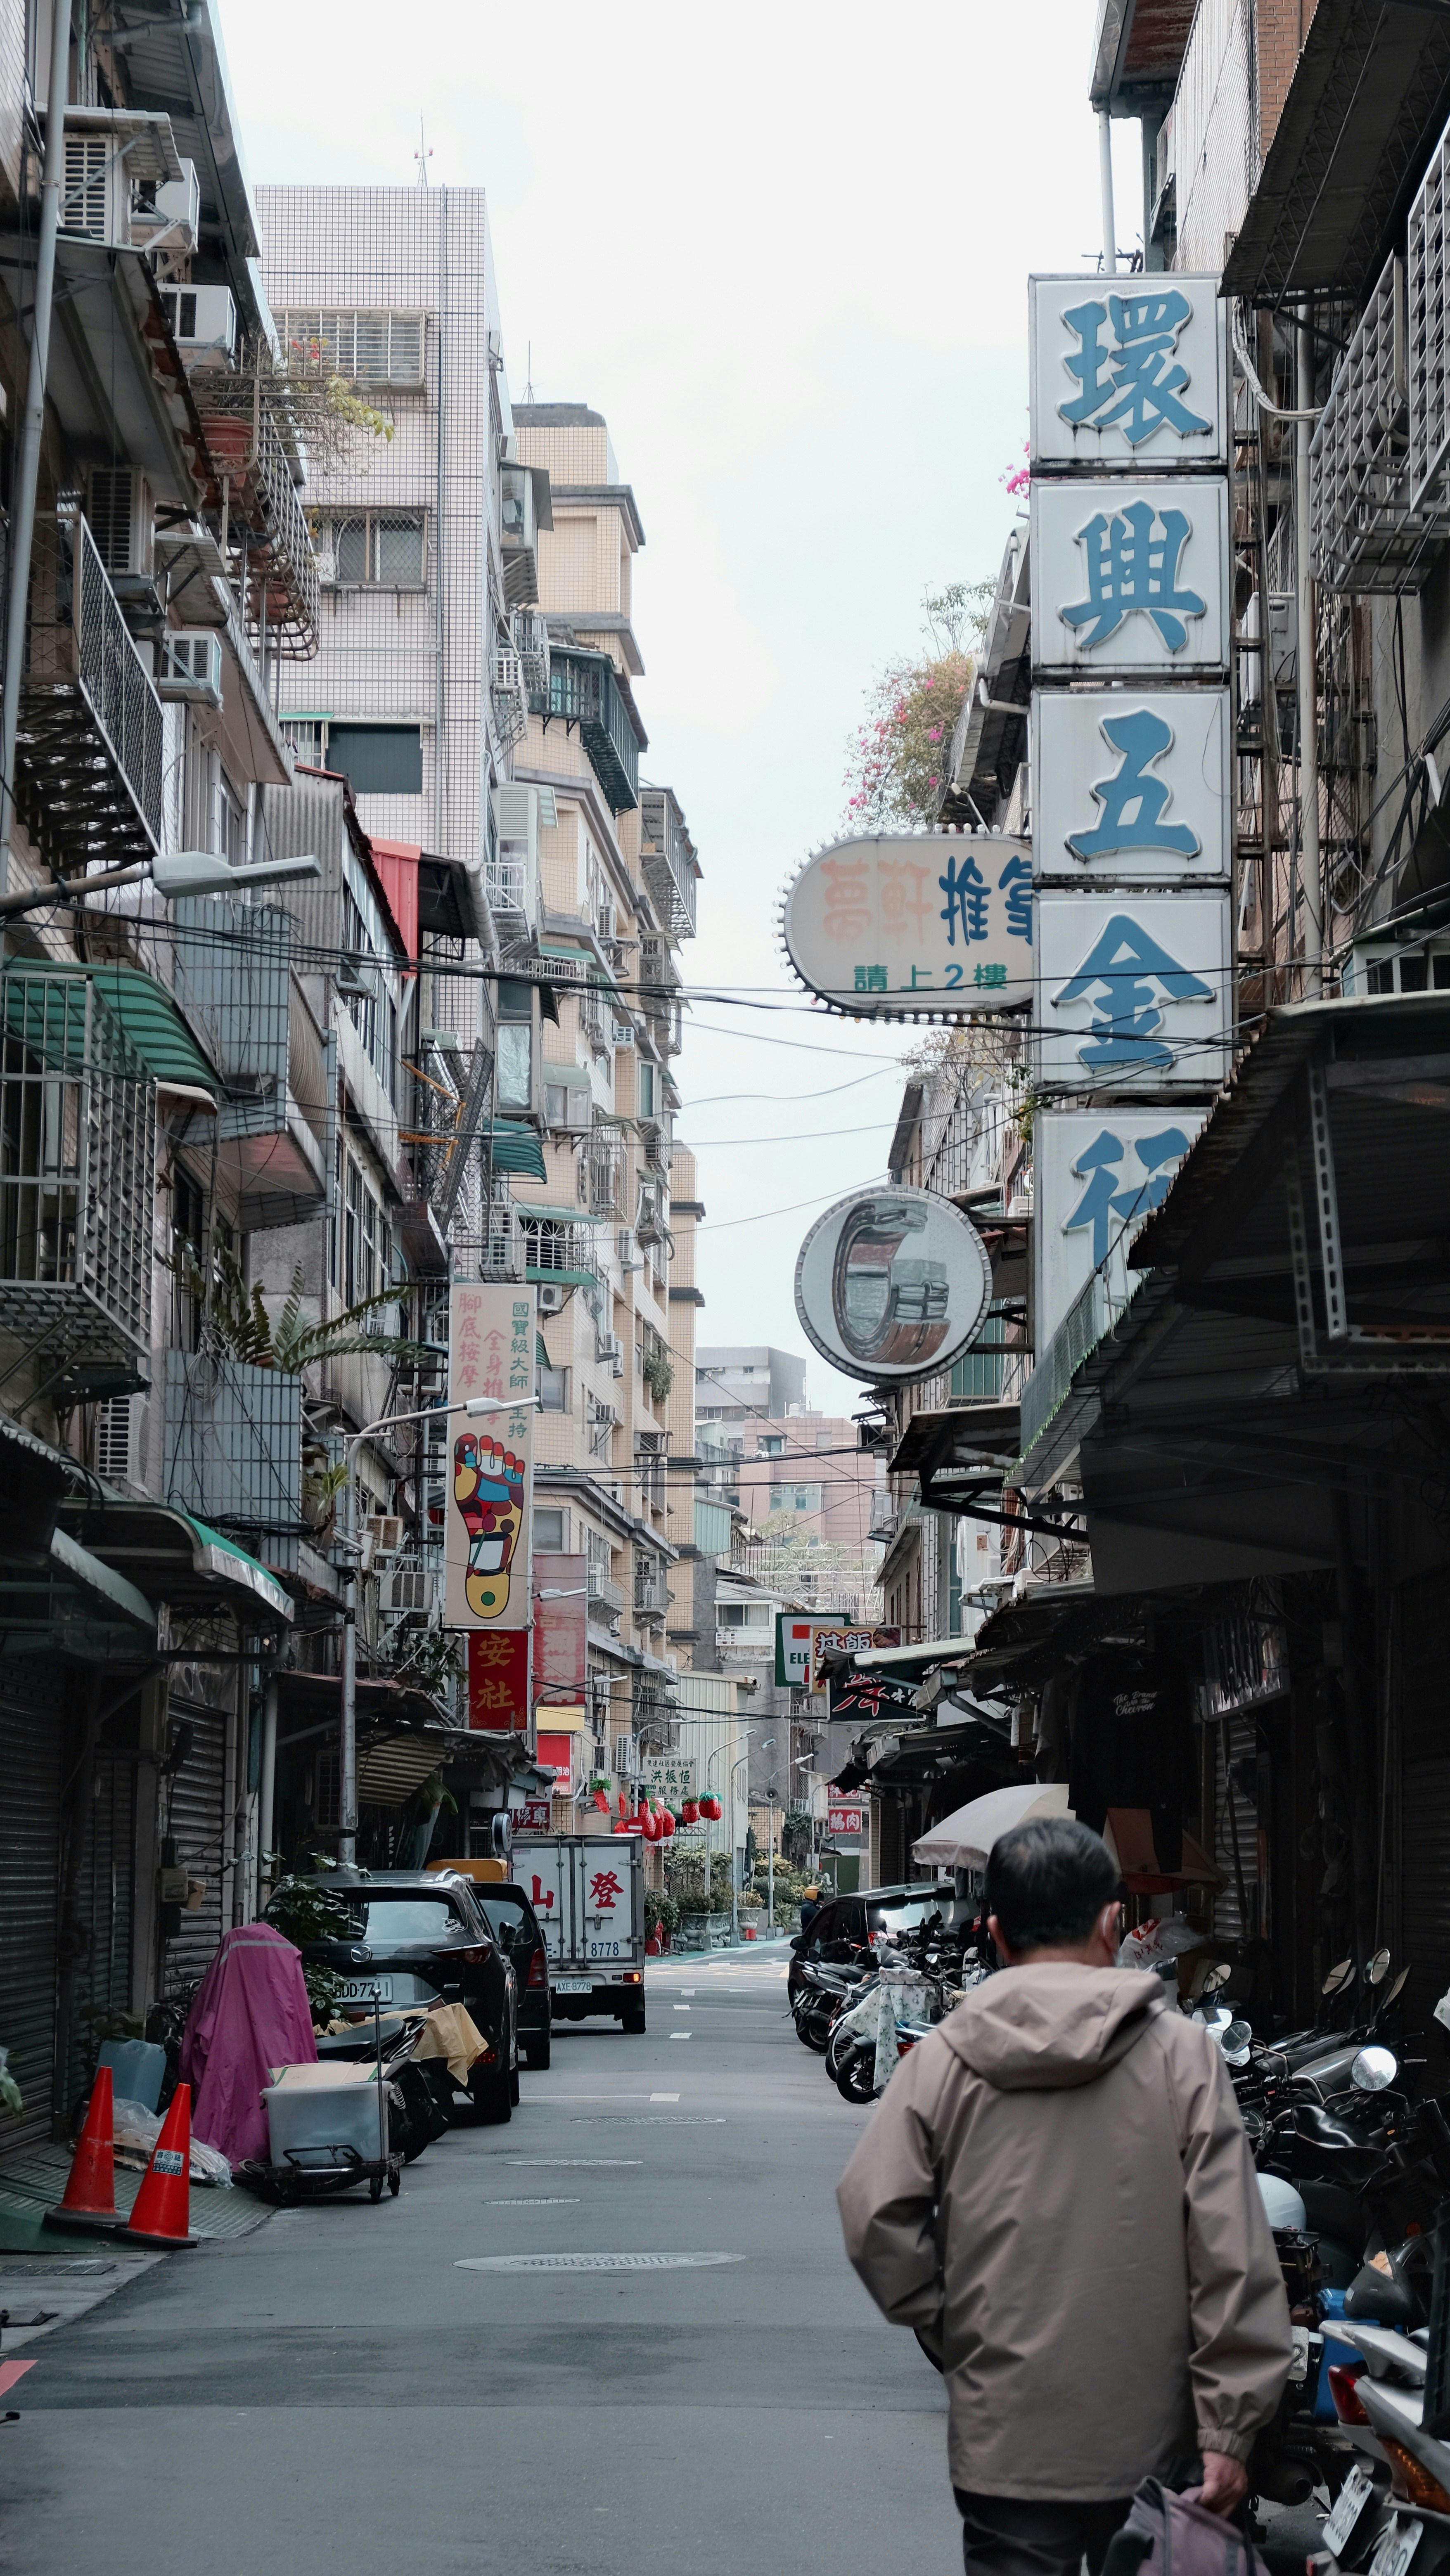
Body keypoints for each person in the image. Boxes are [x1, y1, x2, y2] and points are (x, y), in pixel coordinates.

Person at [836, 1817, 1290, 2576]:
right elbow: (1231, 2253)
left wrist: (953, 2325)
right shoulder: (1181, 2056)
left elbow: (875, 2213)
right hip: (1157, 2439)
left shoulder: (945, 2058)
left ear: (995, 1933)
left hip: (1007, 2436)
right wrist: (1229, 2430)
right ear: (1114, 1922)